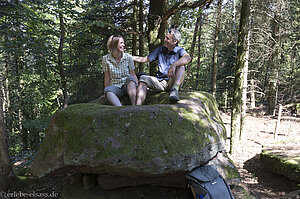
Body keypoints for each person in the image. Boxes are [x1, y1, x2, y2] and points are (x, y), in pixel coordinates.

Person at [132, 29, 191, 105]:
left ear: (175, 41)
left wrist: (174, 65)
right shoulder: (160, 50)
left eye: (167, 38)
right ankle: (137, 106)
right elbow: (144, 59)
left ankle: (174, 90)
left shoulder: (180, 50)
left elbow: (188, 58)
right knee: (143, 78)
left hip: (172, 81)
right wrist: (129, 57)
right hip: (160, 81)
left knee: (181, 66)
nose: (165, 40)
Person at [102, 34, 138, 106]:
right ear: (115, 44)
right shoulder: (106, 59)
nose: (124, 45)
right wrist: (106, 91)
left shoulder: (128, 57)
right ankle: (120, 109)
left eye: (123, 43)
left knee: (131, 79)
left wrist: (137, 86)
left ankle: (135, 106)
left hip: (127, 86)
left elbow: (133, 74)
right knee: (107, 91)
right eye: (121, 43)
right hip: (115, 87)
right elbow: (107, 77)